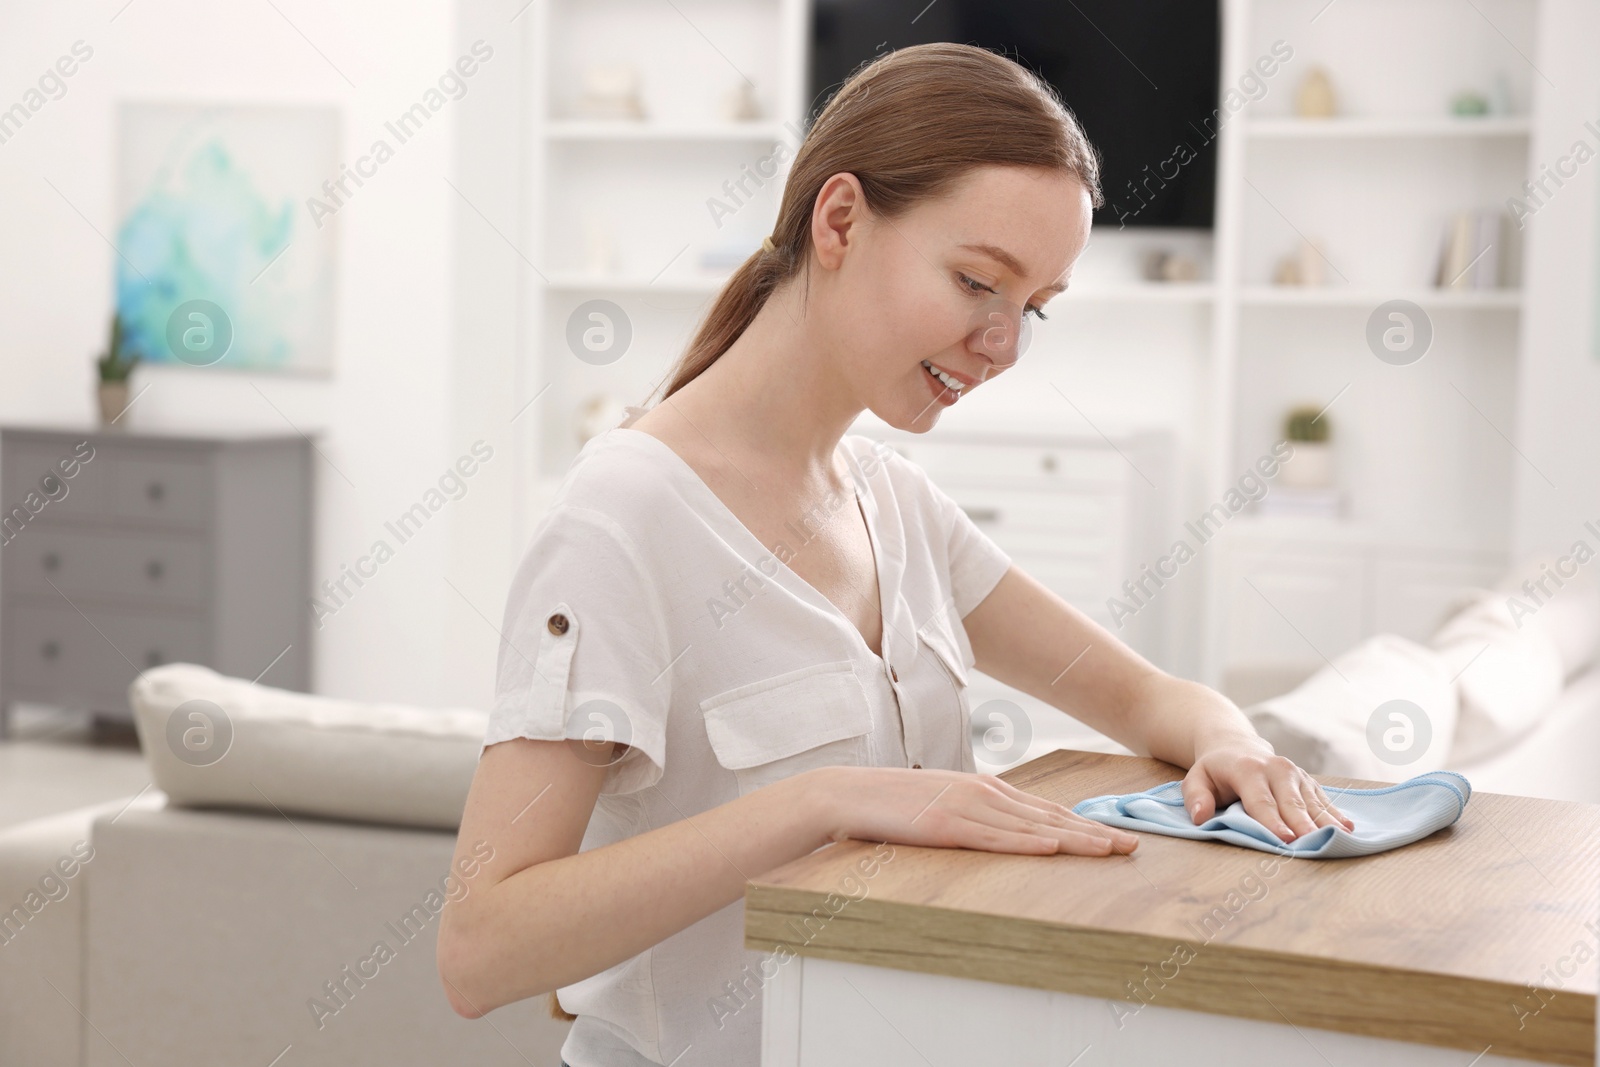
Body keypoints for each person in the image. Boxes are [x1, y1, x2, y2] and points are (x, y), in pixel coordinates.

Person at [436, 41, 1352, 1067]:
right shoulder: (623, 520)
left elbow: (1152, 699)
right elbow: (480, 948)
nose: (1003, 346)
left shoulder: (897, 506)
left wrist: (1228, 739)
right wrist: (824, 800)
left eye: (1034, 306)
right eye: (976, 282)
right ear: (839, 221)